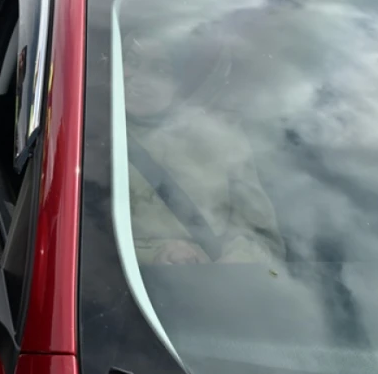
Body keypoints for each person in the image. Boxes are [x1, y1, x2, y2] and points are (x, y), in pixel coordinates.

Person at [121, 30, 285, 265]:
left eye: (160, 70)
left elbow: (264, 240)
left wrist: (232, 263)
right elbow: (77, 246)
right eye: (132, 61)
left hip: (210, 295)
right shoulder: (89, 134)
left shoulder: (223, 140)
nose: (137, 78)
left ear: (185, 84)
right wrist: (154, 255)